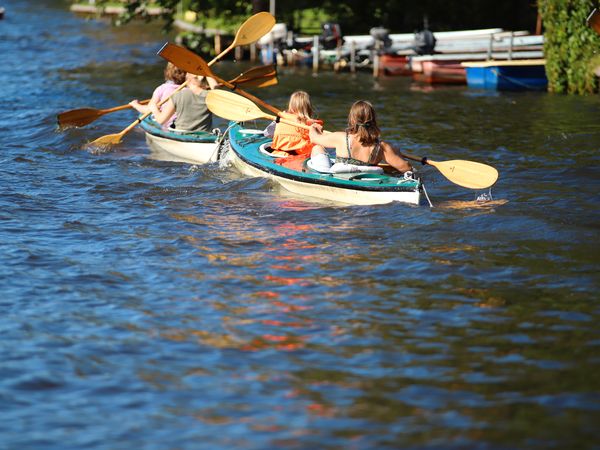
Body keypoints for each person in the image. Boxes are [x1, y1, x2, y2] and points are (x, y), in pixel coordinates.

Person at [308, 100, 413, 173]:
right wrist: (397, 154)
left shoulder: (340, 138)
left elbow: (314, 138)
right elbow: (407, 168)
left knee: (317, 148)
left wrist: (313, 127)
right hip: (367, 178)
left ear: (352, 119)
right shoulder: (382, 147)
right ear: (373, 120)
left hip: (341, 179)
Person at [131, 73, 218, 133]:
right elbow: (216, 87)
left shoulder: (177, 96)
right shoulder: (210, 96)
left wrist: (154, 109)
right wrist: (207, 73)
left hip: (182, 133)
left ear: (188, 79)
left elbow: (161, 120)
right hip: (205, 134)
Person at [264, 91, 325, 166]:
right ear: (309, 107)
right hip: (302, 157)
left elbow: (266, 133)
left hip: (280, 154)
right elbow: (320, 142)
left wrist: (277, 121)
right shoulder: (313, 125)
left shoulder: (282, 118)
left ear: (291, 106)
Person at [129, 62, 186, 128]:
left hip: (166, 124)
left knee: (142, 126)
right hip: (184, 124)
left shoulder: (162, 89)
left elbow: (149, 110)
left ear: (167, 72)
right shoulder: (191, 89)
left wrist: (136, 105)